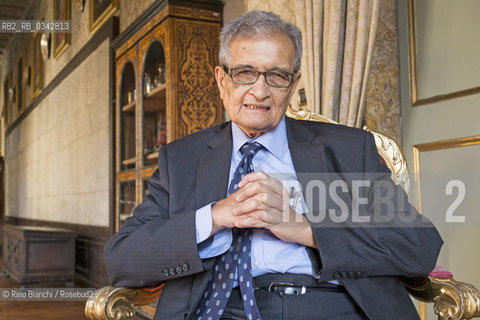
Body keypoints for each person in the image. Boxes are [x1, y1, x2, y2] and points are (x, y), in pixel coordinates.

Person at [104, 10, 442, 320]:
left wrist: (306, 229)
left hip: (331, 305)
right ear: (222, 81)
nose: (260, 91)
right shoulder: (180, 159)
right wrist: (216, 217)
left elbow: (418, 246)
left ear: (293, 85)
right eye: (245, 73)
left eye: (277, 76)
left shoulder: (349, 149)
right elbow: (121, 258)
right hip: (219, 309)